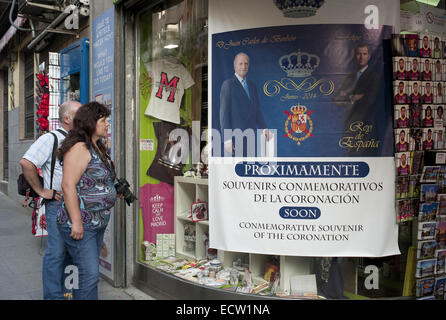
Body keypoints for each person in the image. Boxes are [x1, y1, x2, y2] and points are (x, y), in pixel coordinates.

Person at [19, 100, 81, 300]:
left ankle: (69, 293)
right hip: (58, 204)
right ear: (67, 118)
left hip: (78, 205)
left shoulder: (80, 140)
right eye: (79, 114)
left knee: (73, 252)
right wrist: (41, 190)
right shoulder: (51, 139)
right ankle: (54, 296)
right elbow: (26, 162)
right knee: (57, 252)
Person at [56, 102, 119, 300]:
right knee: (90, 276)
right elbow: (68, 185)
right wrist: (76, 222)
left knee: (88, 275)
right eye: (103, 120)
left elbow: (95, 181)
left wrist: (113, 191)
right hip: (81, 224)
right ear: (91, 123)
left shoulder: (96, 147)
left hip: (96, 222)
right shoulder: (79, 148)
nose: (108, 124)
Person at [219, 52, 272, 156]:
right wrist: (227, 139)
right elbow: (224, 114)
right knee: (236, 170)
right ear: (235, 66)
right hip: (235, 138)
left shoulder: (252, 86)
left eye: (246, 64)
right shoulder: (228, 85)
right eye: (240, 64)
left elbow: (256, 110)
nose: (244, 66)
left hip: (251, 136)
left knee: (249, 168)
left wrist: (264, 128)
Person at [333, 43, 380, 138]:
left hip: (366, 126)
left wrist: (346, 96)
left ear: (369, 56)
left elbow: (370, 100)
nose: (361, 57)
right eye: (359, 54)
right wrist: (354, 97)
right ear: (355, 56)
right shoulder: (348, 77)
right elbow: (336, 99)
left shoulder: (375, 77)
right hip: (348, 126)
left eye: (364, 54)